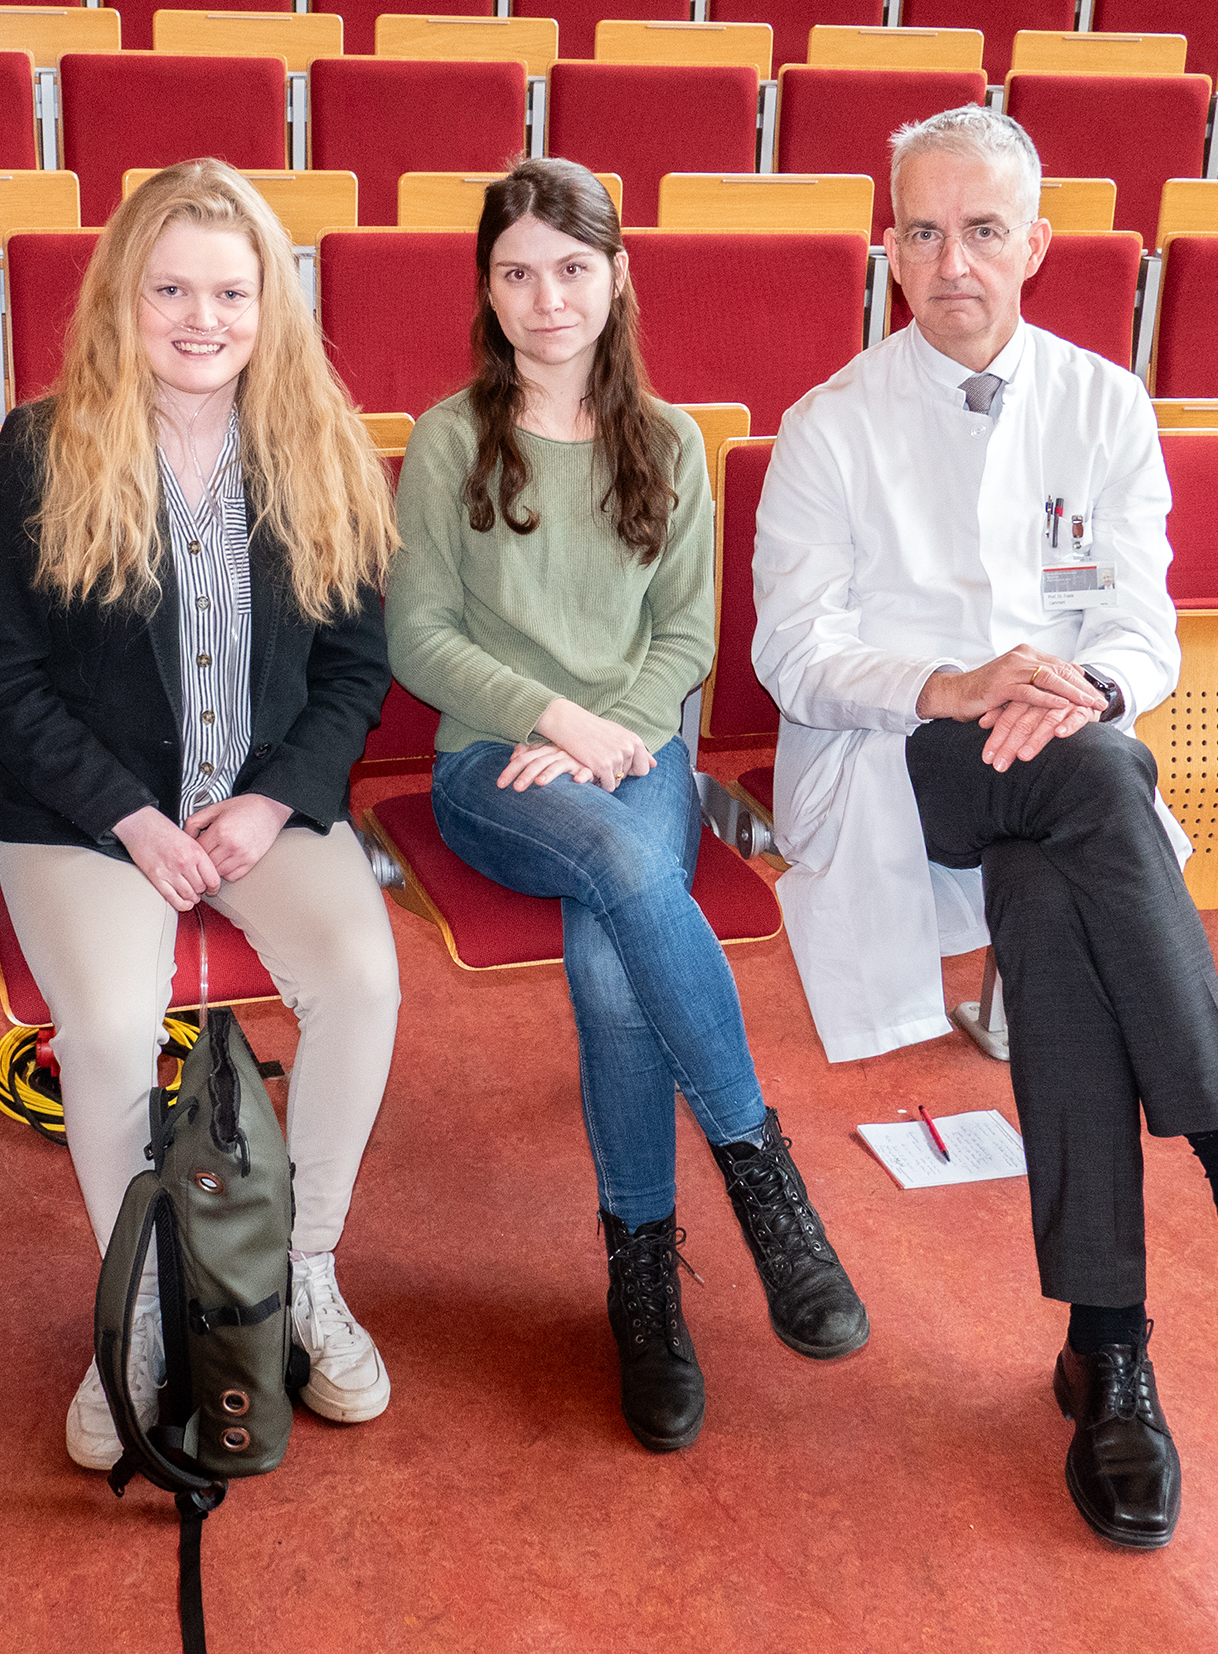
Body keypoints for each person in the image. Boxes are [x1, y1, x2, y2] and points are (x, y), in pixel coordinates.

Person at [753, 106, 1218, 1548]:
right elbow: (793, 650)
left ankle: (1110, 1346)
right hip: (907, 760)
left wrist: (1087, 684)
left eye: (983, 229)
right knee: (1096, 789)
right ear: (888, 245)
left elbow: (1144, 617)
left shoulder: (1104, 403)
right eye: (921, 231)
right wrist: (950, 683)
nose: (951, 262)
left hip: (1062, 759)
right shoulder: (833, 424)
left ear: (1040, 243)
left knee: (1065, 864)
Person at [387, 158, 868, 1455]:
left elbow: (684, 639)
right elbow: (419, 638)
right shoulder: (448, 441)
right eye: (518, 272)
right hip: (497, 764)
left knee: (613, 960)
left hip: (639, 753)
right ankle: (762, 1174)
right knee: (627, 870)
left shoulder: (669, 444)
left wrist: (621, 734)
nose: (547, 297)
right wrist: (555, 720)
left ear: (617, 279)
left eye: (572, 268)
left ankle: (643, 1281)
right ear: (487, 291)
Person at [0, 159, 405, 1469]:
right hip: (97, 816)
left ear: (269, 304)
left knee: (365, 981)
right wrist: (128, 819)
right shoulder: (46, 445)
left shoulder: (320, 445)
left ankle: (302, 1266)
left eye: (228, 289)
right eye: (170, 289)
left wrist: (273, 801)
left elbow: (354, 671)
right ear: (123, 297)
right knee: (101, 1022)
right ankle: (142, 1301)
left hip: (260, 805)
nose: (199, 317)